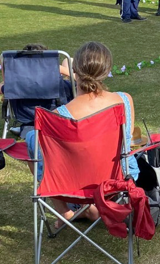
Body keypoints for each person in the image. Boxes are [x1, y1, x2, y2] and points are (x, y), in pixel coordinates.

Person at [25, 42, 140, 227]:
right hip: (117, 178)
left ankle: (65, 212)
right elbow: (128, 140)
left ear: (74, 71)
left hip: (71, 184)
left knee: (32, 143)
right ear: (107, 69)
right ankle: (98, 206)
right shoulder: (124, 100)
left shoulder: (55, 118)